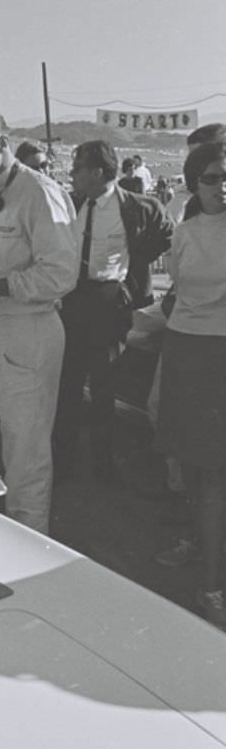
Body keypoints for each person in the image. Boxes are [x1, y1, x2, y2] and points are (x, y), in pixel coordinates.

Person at [0, 102, 77, 535]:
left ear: (2, 143)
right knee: (15, 443)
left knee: (26, 453)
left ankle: (33, 543)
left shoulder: (37, 192)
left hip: (32, 330)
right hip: (5, 331)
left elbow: (61, 272)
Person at [53, 140, 173, 483]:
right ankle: (64, 460)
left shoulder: (136, 207)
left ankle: (102, 463)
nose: (72, 175)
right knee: (68, 384)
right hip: (71, 299)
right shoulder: (69, 204)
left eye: (77, 169)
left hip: (108, 302)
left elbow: (165, 237)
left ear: (97, 172)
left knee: (105, 383)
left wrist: (133, 269)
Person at [154, 142, 226, 627]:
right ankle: (203, 559)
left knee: (216, 473)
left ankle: (212, 583)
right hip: (186, 351)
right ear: (193, 183)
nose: (222, 186)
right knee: (196, 469)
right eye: (212, 178)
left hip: (219, 353)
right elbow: (176, 295)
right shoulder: (183, 232)